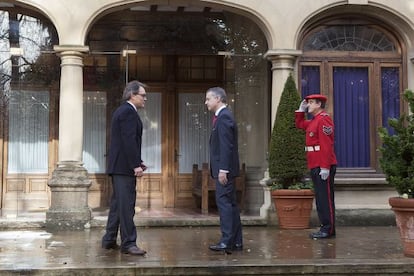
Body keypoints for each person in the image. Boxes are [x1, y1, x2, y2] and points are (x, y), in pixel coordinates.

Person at [102, 80, 148, 255]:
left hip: (120, 166)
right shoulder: (128, 112)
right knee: (127, 206)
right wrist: (135, 165)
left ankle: (109, 240)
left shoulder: (124, 111)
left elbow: (125, 142)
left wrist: (137, 161)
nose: (145, 99)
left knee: (117, 205)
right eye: (142, 95)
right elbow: (128, 141)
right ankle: (129, 243)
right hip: (123, 169)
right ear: (132, 95)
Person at [205, 86, 243, 253]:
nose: (206, 102)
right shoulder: (222, 117)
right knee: (231, 205)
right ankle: (236, 241)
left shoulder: (224, 117)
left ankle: (226, 241)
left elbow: (227, 146)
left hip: (224, 171)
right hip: (225, 169)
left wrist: (223, 170)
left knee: (225, 205)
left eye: (208, 99)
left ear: (218, 99)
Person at [295, 94, 337, 239]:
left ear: (319, 104)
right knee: (320, 197)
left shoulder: (324, 119)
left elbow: (326, 145)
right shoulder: (314, 121)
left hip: (322, 164)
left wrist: (325, 167)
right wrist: (300, 111)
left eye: (311, 102)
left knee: (325, 198)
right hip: (315, 163)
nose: (308, 105)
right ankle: (325, 227)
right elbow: (300, 124)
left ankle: (328, 229)